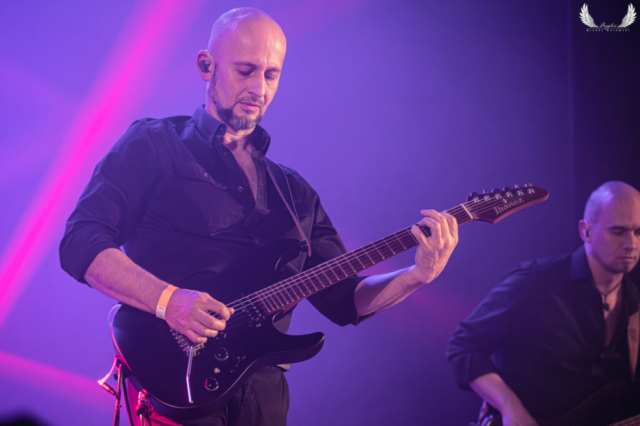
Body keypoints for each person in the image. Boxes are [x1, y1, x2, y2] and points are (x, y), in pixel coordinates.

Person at [59, 8, 458, 426]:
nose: (258, 88)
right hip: (172, 380)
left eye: (271, 75)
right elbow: (81, 241)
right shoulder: (154, 143)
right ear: (206, 65)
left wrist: (417, 275)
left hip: (264, 395)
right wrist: (168, 300)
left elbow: (346, 299)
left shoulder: (294, 192)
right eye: (245, 71)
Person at [447, 181, 640, 426]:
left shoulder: (632, 300)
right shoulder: (535, 281)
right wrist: (509, 406)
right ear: (586, 231)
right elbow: (463, 346)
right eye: (618, 231)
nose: (631, 243)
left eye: (638, 232)